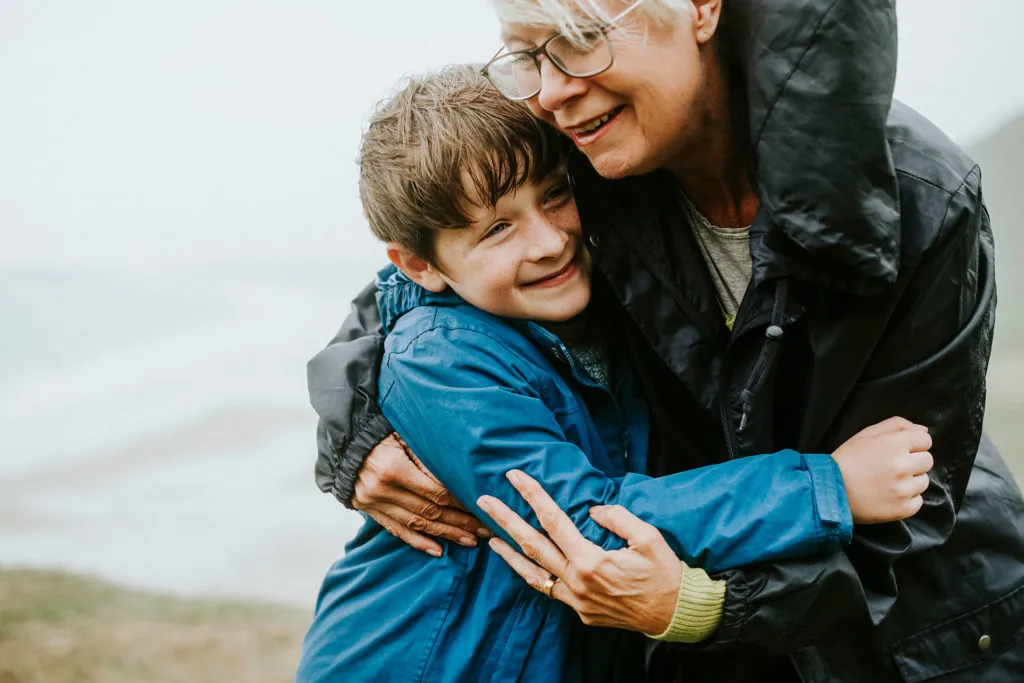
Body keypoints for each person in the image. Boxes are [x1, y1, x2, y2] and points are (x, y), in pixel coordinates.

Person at [307, 1, 1024, 681]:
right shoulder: (581, 143)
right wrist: (359, 420)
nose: (553, 90)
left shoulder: (924, 199)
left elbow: (907, 503)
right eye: (529, 53)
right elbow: (427, 275)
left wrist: (694, 604)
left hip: (921, 632)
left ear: (702, 8)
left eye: (584, 34)